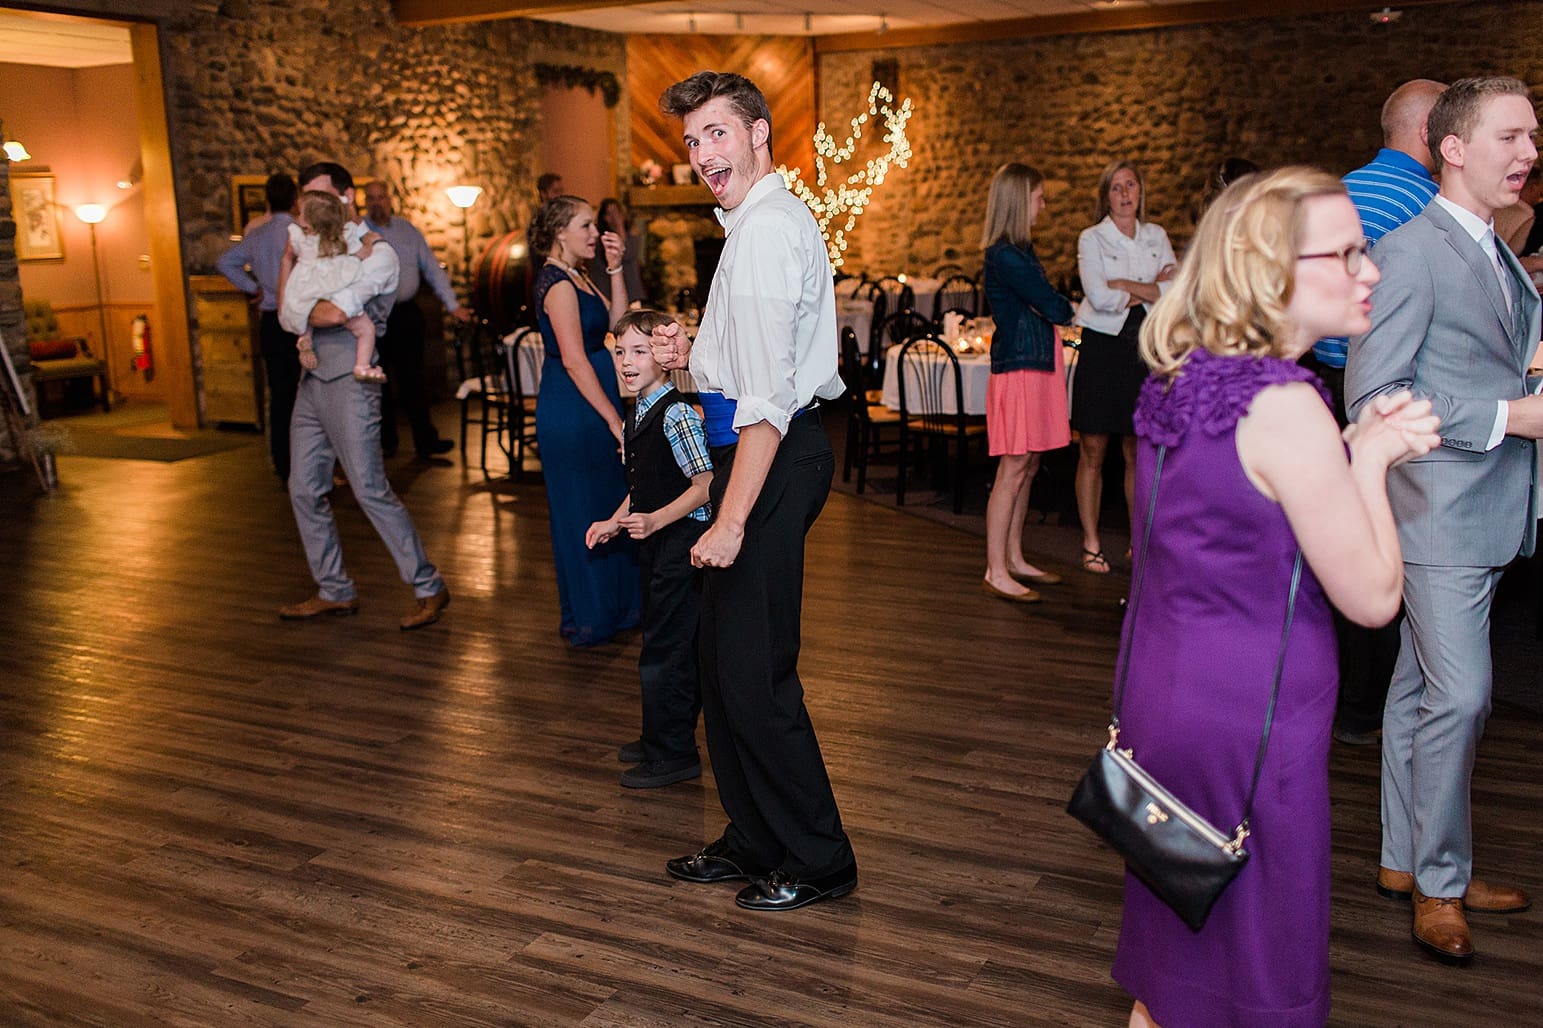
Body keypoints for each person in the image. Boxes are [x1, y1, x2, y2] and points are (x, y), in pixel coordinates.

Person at [1115, 167, 1438, 1027]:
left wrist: (1340, 448)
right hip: (1249, 723)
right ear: (1272, 269)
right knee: (1257, 965)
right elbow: (1371, 598)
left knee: (1174, 967)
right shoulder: (1285, 403)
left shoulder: (1183, 374)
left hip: (1164, 700)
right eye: (1348, 253)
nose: (1369, 271)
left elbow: (1226, 515)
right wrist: (1368, 459)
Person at [1346, 76, 1541, 962]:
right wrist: (1512, 416)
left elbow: (1484, 356)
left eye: (1532, 136)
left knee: (1417, 686)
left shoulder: (1493, 246)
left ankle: (1400, 858)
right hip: (1434, 511)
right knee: (1460, 695)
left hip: (1484, 508)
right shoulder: (1409, 249)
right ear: (1452, 149)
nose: (1529, 154)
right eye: (1511, 137)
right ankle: (1438, 881)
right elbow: (1375, 397)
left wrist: (1527, 373)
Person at [650, 70, 854, 913]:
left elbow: (769, 399)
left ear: (759, 132)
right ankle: (753, 837)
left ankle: (817, 857)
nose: (701, 154)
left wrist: (730, 518)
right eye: (692, 141)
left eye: (716, 135)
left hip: (771, 455)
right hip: (753, 452)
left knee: (755, 673)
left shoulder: (768, 231)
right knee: (718, 661)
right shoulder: (750, 226)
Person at [1305, 79, 1447, 749]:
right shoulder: (1429, 205)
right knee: (1378, 546)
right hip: (1381, 390)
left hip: (1316, 380)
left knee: (1322, 539)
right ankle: (1367, 705)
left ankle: (1333, 692)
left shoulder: (1336, 193)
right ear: (1429, 134)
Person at [278, 161, 450, 631]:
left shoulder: (379, 255)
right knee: (303, 489)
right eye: (303, 201)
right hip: (310, 381)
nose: (306, 212)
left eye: (318, 199)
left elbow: (333, 313)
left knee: (370, 489)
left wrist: (305, 304)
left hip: (352, 385)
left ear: (346, 198)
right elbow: (285, 315)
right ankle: (334, 589)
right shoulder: (311, 251)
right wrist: (294, 275)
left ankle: (428, 583)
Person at [586, 309, 712, 788]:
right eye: (621, 352)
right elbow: (643, 484)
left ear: (662, 356)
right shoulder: (638, 409)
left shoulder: (677, 413)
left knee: (670, 652)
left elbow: (705, 486)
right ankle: (657, 737)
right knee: (657, 645)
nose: (626, 361)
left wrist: (656, 519)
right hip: (654, 543)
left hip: (680, 544)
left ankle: (675, 753)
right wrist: (614, 522)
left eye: (639, 351)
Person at [532, 194, 640, 647]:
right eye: (586, 226)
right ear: (560, 232)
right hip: (574, 410)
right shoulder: (556, 283)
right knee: (582, 509)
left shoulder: (578, 276)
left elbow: (618, 325)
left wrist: (615, 270)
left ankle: (621, 607)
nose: (596, 233)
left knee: (607, 501)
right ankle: (592, 615)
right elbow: (575, 361)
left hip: (592, 404)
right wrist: (616, 421)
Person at [1071, 160, 1176, 575]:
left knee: (1137, 448)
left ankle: (1138, 542)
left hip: (1142, 347)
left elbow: (1174, 291)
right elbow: (1097, 295)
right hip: (1102, 346)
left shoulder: (1156, 235)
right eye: (1116, 187)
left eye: (1131, 184)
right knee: (1093, 448)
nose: (1125, 193)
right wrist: (1151, 288)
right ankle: (1091, 541)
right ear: (1106, 196)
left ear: (1140, 190)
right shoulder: (1092, 238)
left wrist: (1128, 286)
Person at [978, 162, 1075, 604]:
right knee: (1013, 466)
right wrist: (1059, 305)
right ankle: (996, 568)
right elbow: (1054, 307)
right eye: (1039, 197)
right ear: (1021, 200)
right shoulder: (1007, 255)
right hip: (1018, 367)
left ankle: (1013, 558)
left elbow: (1048, 306)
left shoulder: (1019, 252)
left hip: (1032, 363)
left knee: (1029, 463)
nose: (1044, 205)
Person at [362, 180, 470, 460]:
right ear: (365, 202)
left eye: (381, 197)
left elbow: (432, 268)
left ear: (390, 200)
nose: (377, 202)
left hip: (406, 313)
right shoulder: (357, 233)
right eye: (371, 198)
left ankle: (425, 440)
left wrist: (452, 304)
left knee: (414, 379)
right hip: (372, 317)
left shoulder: (406, 230)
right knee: (377, 383)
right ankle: (385, 442)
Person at [216, 172, 300, 482]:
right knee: (306, 397)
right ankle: (311, 466)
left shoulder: (258, 235)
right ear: (294, 200)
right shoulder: (299, 233)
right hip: (301, 322)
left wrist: (253, 288)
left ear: (267, 201)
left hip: (271, 324)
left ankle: (283, 464)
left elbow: (225, 262)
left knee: (280, 398)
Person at [278, 190, 386, 385]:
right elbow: (360, 255)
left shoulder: (300, 240)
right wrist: (369, 244)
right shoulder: (339, 241)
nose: (297, 217)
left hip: (304, 288)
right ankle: (362, 365)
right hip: (330, 286)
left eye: (300, 213)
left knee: (306, 307)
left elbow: (289, 255)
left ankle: (305, 335)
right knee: (365, 327)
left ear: (307, 222)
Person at [588, 197, 647, 305]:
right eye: (609, 213)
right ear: (604, 217)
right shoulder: (600, 239)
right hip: (608, 292)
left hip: (632, 291)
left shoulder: (632, 233)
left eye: (616, 212)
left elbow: (629, 253)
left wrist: (621, 227)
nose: (614, 217)